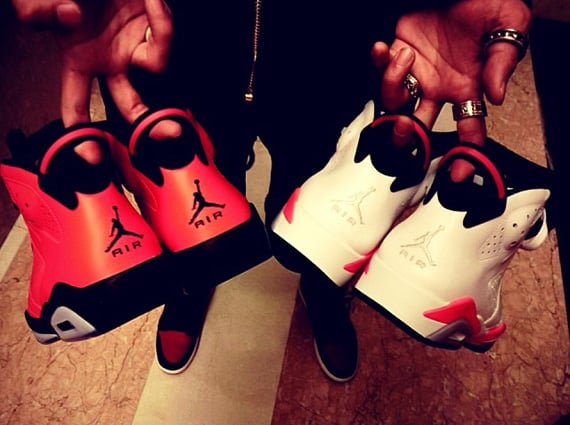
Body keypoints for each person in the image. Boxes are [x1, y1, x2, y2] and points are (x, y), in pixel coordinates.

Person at [7, 0, 532, 382]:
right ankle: (190, 283)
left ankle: (323, 288)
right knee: (190, 194)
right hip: (170, 37)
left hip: (330, 46)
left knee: (316, 201)